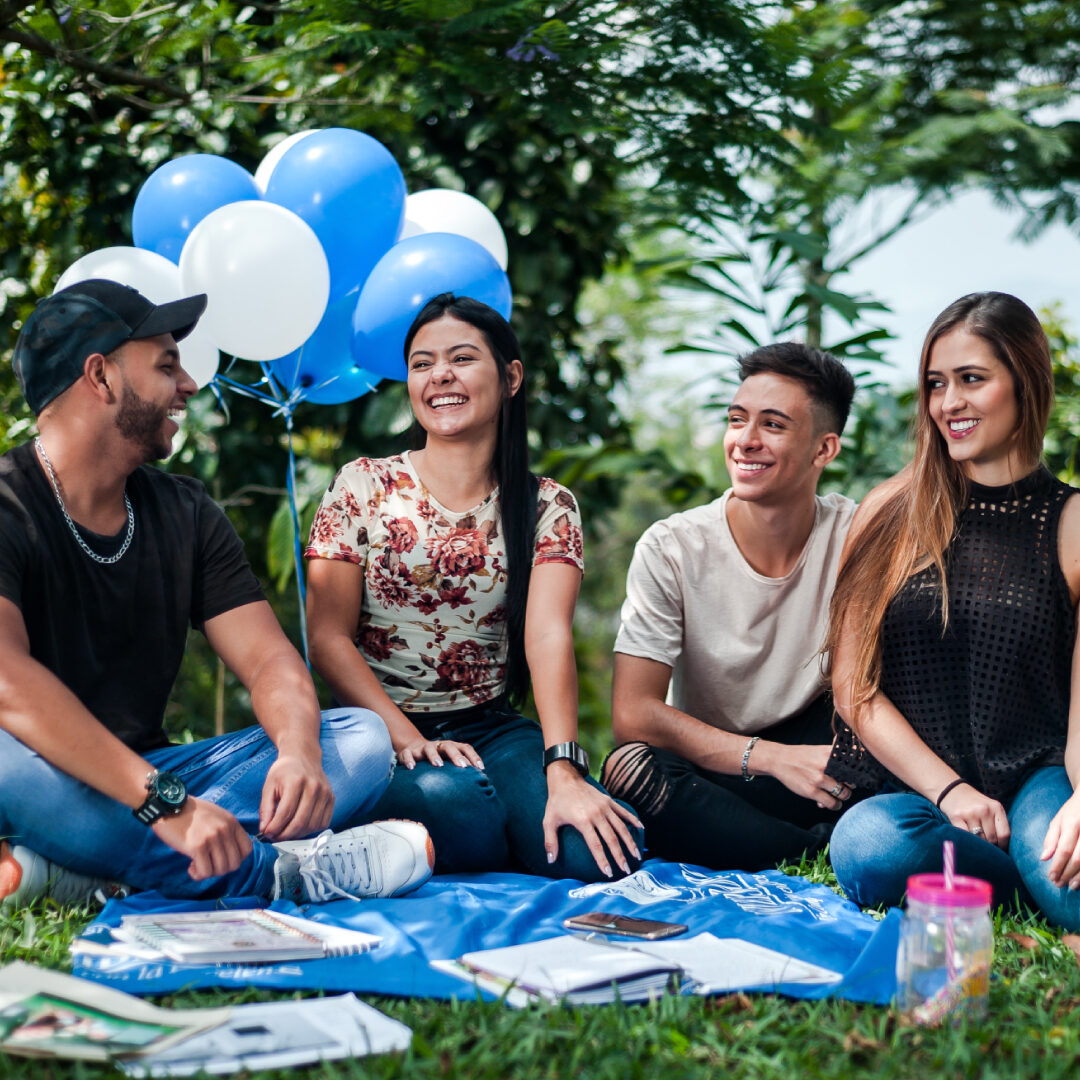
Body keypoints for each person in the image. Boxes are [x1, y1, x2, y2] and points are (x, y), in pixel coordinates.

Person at [0, 279, 433, 910]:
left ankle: (87, 873)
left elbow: (268, 662)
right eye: (166, 365)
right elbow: (8, 683)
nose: (189, 386)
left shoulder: (186, 512)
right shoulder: (7, 502)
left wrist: (299, 752)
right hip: (47, 775)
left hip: (148, 778)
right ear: (101, 377)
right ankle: (281, 876)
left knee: (359, 741)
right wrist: (164, 803)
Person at [304, 292, 642, 881]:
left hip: (492, 728)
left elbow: (547, 636)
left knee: (599, 848)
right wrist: (405, 739)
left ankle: (474, 827)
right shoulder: (363, 484)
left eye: (462, 358)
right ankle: (454, 823)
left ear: (510, 377)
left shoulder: (548, 504)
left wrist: (563, 769)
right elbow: (326, 635)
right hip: (375, 732)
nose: (440, 377)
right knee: (463, 809)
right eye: (421, 363)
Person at [826, 292, 1080, 929]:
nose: (949, 403)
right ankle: (1022, 880)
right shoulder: (888, 512)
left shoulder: (1072, 523)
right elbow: (854, 690)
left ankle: (1029, 869)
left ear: (1025, 381)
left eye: (972, 379)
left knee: (1063, 858)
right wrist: (951, 791)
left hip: (1036, 780)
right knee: (871, 848)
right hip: (915, 796)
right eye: (936, 384)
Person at [600, 342, 857, 869]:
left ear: (824, 449)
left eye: (773, 425)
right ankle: (811, 852)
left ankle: (789, 840)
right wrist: (770, 759)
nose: (745, 440)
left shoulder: (859, 534)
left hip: (823, 757)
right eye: (737, 419)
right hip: (720, 763)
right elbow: (633, 713)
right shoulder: (672, 547)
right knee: (629, 768)